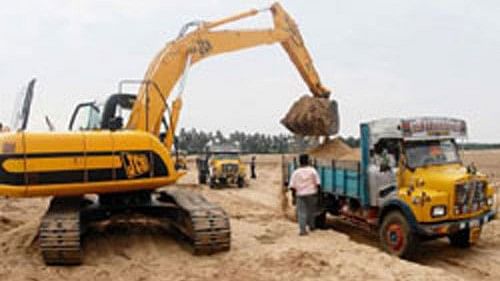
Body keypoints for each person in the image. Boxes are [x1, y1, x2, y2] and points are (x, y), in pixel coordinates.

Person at [288, 154, 320, 236]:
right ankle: (312, 227)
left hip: (300, 195)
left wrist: (293, 196)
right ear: (308, 161)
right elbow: (318, 183)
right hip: (311, 194)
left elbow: (292, 186)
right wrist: (318, 193)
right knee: (311, 211)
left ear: (299, 162)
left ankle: (303, 231)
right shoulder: (313, 171)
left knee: (301, 212)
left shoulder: (296, 172)